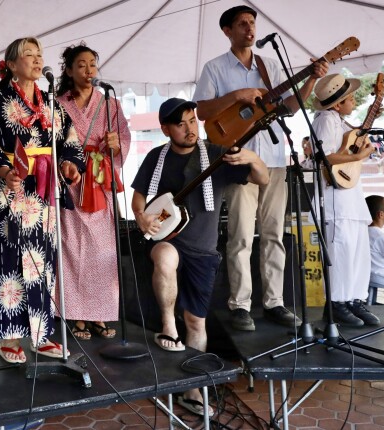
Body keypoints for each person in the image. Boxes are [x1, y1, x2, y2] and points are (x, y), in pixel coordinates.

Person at [193, 5, 328, 331]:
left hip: (276, 161)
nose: (249, 29)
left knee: (273, 235)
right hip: (238, 161)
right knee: (240, 236)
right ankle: (240, 305)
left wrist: (310, 79)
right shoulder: (215, 68)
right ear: (227, 31)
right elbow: (201, 111)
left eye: (252, 23)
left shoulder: (270, 67)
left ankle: (274, 302)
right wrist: (236, 95)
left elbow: (292, 107)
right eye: (242, 24)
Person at [131, 98, 269, 416]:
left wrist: (251, 157)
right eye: (181, 124)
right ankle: (168, 325)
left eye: (192, 120)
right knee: (164, 256)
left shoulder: (217, 156)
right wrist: (141, 217)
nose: (190, 128)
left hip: (204, 249)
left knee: (196, 321)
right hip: (168, 238)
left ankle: (192, 386)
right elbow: (139, 196)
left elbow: (262, 179)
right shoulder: (157, 157)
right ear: (166, 129)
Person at [0, 37, 85, 364]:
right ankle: (9, 339)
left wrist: (70, 165)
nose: (37, 61)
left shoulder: (52, 105)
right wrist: (3, 169)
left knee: (41, 265)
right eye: (29, 55)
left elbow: (70, 144)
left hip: (42, 194)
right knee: (10, 265)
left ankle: (41, 335)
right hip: (9, 192)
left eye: (39, 55)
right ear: (10, 64)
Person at [55, 43, 131, 340]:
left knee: (102, 251)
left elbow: (124, 136)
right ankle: (77, 315)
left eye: (92, 64)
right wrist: (66, 162)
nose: (88, 71)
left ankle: (100, 314)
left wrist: (116, 144)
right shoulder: (59, 104)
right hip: (73, 180)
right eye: (82, 65)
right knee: (72, 249)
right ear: (70, 71)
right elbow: (53, 140)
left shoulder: (109, 103)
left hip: (100, 181)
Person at [310, 73, 379, 327]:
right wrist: (357, 158)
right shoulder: (326, 120)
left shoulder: (340, 122)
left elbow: (348, 147)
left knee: (358, 252)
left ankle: (354, 299)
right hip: (335, 199)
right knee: (341, 251)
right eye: (350, 98)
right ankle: (337, 302)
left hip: (351, 198)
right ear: (337, 104)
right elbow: (324, 157)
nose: (354, 101)